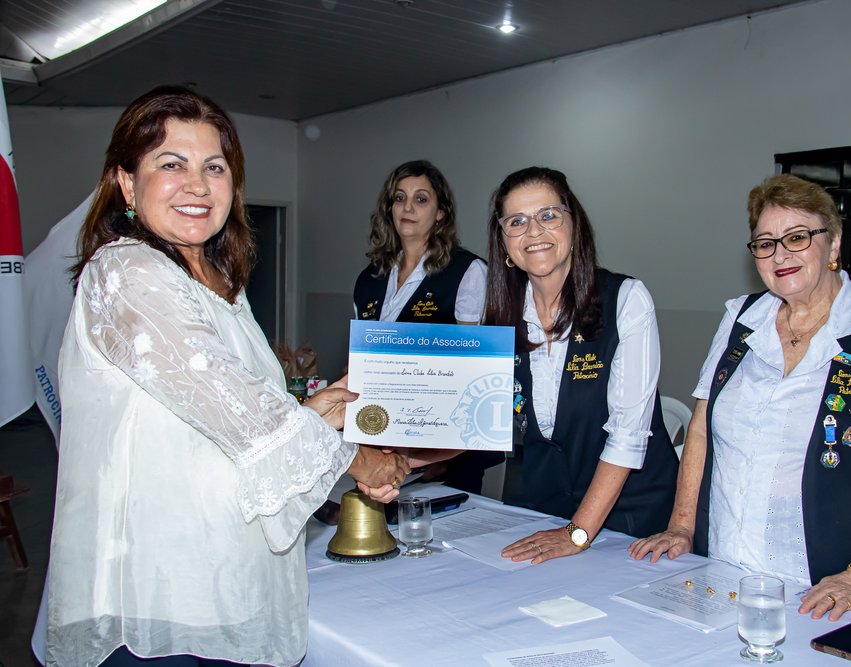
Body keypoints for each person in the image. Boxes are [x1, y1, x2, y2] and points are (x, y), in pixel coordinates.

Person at [45, 86, 409, 667]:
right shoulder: (125, 271)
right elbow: (241, 412)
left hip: (224, 582)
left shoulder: (220, 285)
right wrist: (360, 460)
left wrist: (318, 413)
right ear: (125, 183)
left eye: (214, 167)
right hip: (155, 601)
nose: (196, 184)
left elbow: (241, 412)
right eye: (171, 164)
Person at [628, 174, 851, 621]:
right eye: (765, 243)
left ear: (833, 245)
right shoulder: (741, 319)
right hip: (724, 574)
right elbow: (700, 429)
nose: (780, 254)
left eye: (797, 237)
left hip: (831, 593)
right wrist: (682, 526)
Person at [484, 166, 678, 563]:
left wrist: (577, 533)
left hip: (631, 522)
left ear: (575, 226)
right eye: (517, 221)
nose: (534, 232)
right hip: (543, 512)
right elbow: (480, 419)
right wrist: (403, 456)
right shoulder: (501, 317)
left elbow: (628, 436)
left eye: (548, 215)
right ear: (504, 242)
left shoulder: (625, 299)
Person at [353, 159, 500, 493]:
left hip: (444, 452)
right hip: (381, 439)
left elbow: (472, 373)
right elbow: (363, 365)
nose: (408, 207)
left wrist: (438, 455)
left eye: (421, 199)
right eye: (399, 198)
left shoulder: (467, 271)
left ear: (440, 213)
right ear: (388, 208)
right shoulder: (368, 280)